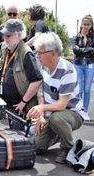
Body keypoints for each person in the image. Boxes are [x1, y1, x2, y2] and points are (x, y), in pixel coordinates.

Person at [26, 32, 89, 164]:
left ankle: (67, 147)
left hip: (73, 113)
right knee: (36, 146)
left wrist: (41, 108)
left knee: (57, 119)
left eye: (40, 52)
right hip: (53, 113)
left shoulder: (67, 70)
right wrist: (41, 115)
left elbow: (61, 105)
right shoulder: (44, 67)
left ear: (52, 53)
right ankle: (59, 132)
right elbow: (43, 93)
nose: (37, 56)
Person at [72, 14, 94, 113]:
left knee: (87, 90)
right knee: (79, 89)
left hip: (90, 65)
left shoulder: (93, 37)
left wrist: (81, 50)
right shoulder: (77, 37)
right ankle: (79, 109)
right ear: (81, 25)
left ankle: (84, 111)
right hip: (78, 64)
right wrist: (87, 49)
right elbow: (74, 50)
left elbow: (92, 51)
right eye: (84, 24)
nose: (85, 26)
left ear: (91, 26)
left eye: (88, 24)